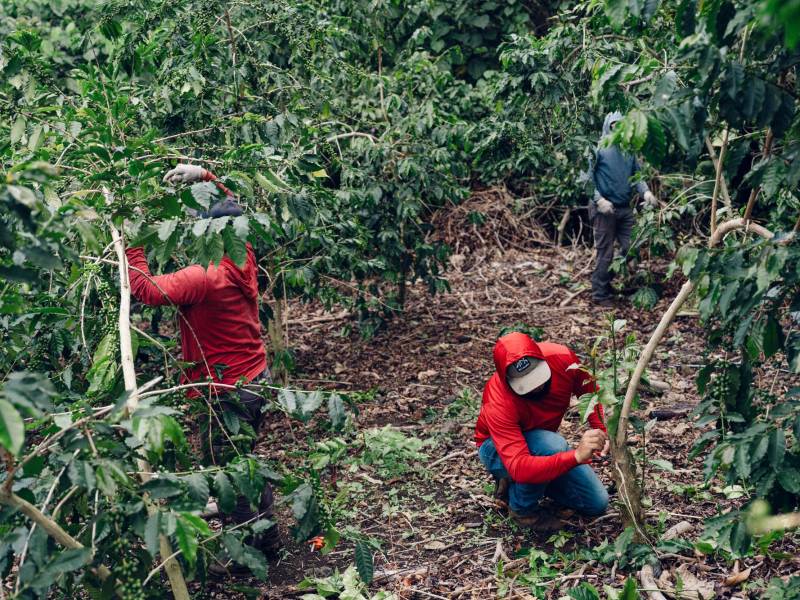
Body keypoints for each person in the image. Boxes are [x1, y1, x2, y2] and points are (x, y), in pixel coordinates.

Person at [125, 163, 280, 572]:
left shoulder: (202, 278)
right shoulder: (241, 257)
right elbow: (234, 209)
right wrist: (206, 177)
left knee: (230, 472)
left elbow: (145, 289)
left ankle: (252, 556)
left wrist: (131, 241)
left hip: (227, 390)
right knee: (244, 462)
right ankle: (266, 540)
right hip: (255, 379)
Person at [475, 332, 610, 530]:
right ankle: (523, 511)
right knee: (551, 445)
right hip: (497, 449)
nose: (537, 386)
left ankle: (529, 480)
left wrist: (600, 429)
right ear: (507, 381)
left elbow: (589, 390)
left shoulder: (562, 358)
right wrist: (575, 457)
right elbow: (520, 465)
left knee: (596, 503)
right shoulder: (498, 402)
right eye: (526, 384)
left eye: (538, 375)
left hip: (543, 444)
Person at [589, 111, 659, 306]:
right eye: (613, 126)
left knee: (633, 247)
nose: (617, 129)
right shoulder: (598, 149)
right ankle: (600, 293)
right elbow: (586, 179)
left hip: (624, 208)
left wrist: (646, 192)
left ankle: (606, 280)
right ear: (607, 127)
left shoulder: (628, 150)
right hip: (604, 209)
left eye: (620, 125)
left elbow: (637, 175)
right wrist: (599, 200)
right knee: (606, 252)